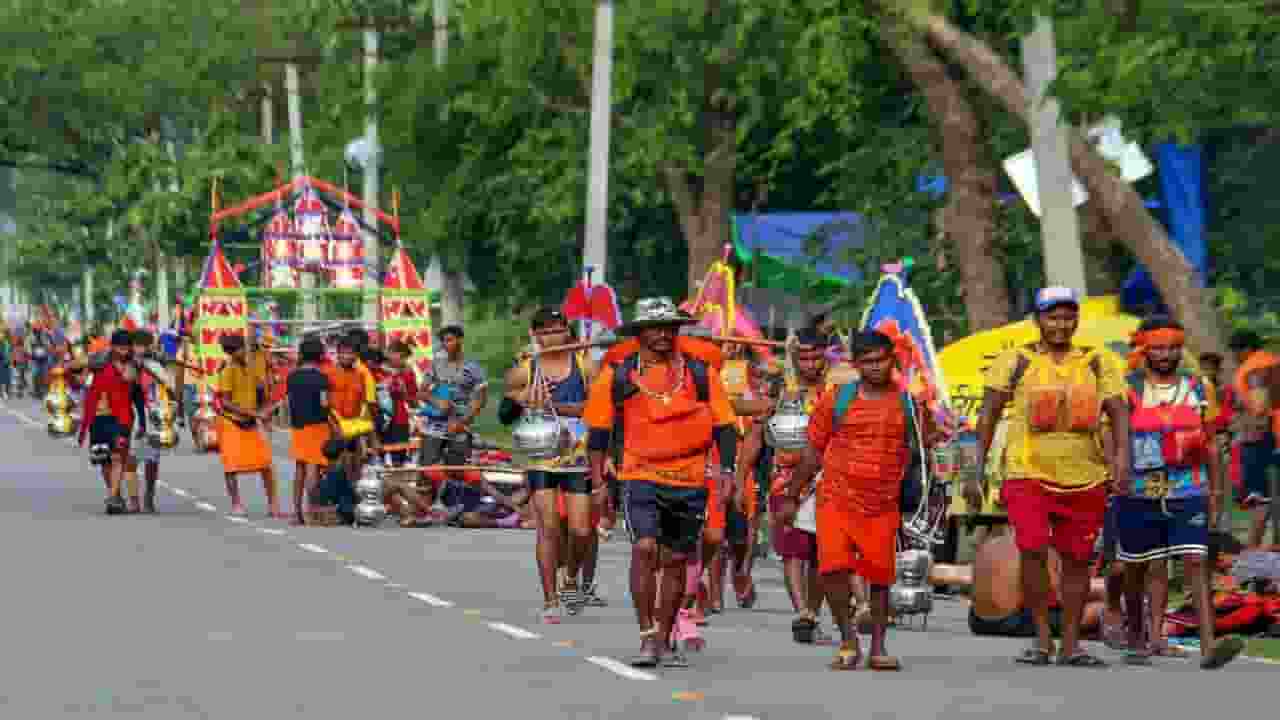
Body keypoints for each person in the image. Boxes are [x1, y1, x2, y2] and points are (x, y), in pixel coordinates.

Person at [968, 286, 1129, 667]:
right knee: (1033, 550)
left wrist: (1121, 460)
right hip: (1026, 473)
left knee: (1077, 560)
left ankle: (1071, 644)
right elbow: (988, 416)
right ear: (1037, 319)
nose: (1061, 324)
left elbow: (1119, 413)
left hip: (1086, 475)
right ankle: (1042, 638)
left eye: (1068, 316)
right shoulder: (1014, 360)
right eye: (1052, 316)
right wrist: (975, 468)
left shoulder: (1097, 361)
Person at [583, 297, 738, 669]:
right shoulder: (618, 376)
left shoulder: (701, 374)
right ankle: (647, 636)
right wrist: (598, 485)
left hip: (690, 480)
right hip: (639, 475)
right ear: (639, 334)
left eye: (669, 326)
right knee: (645, 548)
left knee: (674, 559)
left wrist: (728, 472)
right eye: (654, 327)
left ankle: (665, 636)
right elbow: (599, 435)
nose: (663, 334)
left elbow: (725, 427)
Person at [788, 330, 936, 671]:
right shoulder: (836, 399)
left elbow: (922, 450)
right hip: (836, 499)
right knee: (833, 570)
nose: (875, 368)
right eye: (866, 362)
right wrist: (791, 496)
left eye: (881, 360)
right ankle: (847, 640)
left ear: (892, 360)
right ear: (855, 365)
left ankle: (879, 647)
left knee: (880, 578)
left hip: (883, 504)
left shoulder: (908, 404)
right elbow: (812, 452)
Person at [1114, 317, 1243, 668]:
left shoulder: (1199, 388)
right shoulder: (1126, 389)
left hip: (1189, 489)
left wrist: (1216, 492)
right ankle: (1137, 638)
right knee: (1136, 568)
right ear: (1144, 348)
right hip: (1138, 492)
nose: (1166, 354)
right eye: (1157, 347)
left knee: (1196, 561)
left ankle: (1208, 647)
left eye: (1172, 347)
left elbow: (1213, 444)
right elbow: (1115, 440)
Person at [504, 307, 599, 622]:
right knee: (547, 527)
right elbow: (507, 402)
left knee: (581, 530)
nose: (550, 337)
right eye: (542, 332)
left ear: (567, 331)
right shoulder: (525, 368)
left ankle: (571, 578)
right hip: (540, 454)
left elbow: (598, 408)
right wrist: (523, 400)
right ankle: (550, 599)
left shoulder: (585, 366)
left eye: (556, 330)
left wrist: (557, 405)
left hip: (578, 456)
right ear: (535, 335)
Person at [738, 330, 832, 642]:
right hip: (785, 481)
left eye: (815, 356)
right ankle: (802, 613)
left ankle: (815, 613)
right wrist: (740, 481)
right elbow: (754, 438)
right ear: (794, 358)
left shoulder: (838, 390)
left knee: (821, 554)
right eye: (803, 357)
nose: (810, 363)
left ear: (825, 355)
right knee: (793, 551)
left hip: (828, 481)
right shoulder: (778, 391)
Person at [77, 330, 142, 515]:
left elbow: (129, 377)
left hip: (121, 418)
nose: (124, 351)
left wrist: (133, 362)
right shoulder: (98, 362)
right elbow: (76, 371)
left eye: (126, 347)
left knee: (117, 456)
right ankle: (115, 493)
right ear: (112, 347)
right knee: (103, 459)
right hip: (97, 417)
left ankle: (113, 497)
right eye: (120, 347)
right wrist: (90, 360)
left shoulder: (132, 364)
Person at [215, 334, 279, 517]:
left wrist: (265, 407)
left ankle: (273, 505)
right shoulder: (227, 370)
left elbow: (260, 393)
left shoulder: (250, 367)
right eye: (242, 348)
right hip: (231, 423)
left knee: (266, 464)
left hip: (250, 423)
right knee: (231, 467)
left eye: (245, 347)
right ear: (232, 352)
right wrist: (255, 413)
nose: (245, 351)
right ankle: (236, 504)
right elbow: (226, 402)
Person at [420, 325, 488, 485]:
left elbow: (481, 399)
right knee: (426, 471)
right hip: (433, 427)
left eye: (449, 340)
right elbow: (421, 392)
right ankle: (425, 507)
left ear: (460, 340)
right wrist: (437, 401)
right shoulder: (436, 365)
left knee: (457, 472)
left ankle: (454, 504)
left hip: (459, 427)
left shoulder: (473, 368)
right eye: (443, 341)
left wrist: (462, 422)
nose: (445, 344)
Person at [1228, 329, 1278, 548]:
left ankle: (1252, 554)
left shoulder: (1255, 369)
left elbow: (1259, 407)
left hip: (1268, 438)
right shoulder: (1273, 362)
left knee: (1260, 499)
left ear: (1246, 350)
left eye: (1236, 352)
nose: (1234, 358)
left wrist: (1247, 432)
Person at [287, 339, 333, 526]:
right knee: (314, 468)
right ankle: (312, 512)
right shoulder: (322, 378)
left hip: (298, 427)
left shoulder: (292, 377)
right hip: (318, 426)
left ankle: (296, 514)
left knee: (300, 468)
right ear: (320, 356)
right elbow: (324, 404)